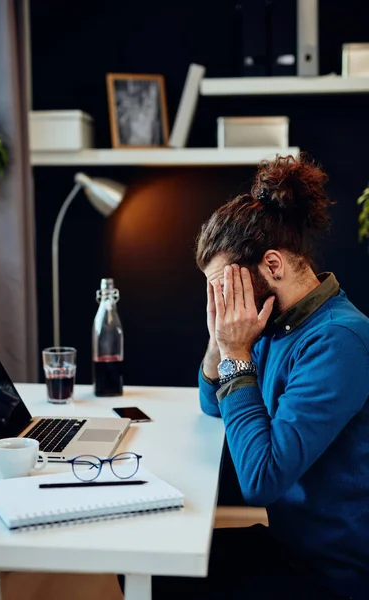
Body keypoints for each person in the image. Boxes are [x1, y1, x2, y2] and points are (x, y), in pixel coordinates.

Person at [152, 154, 369, 599]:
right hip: (294, 546)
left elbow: (261, 479)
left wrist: (236, 351)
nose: (224, 302)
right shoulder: (277, 322)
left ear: (272, 266)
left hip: (333, 572)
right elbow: (213, 403)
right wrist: (220, 339)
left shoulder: (338, 341)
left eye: (225, 288)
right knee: (148, 557)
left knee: (164, 575)